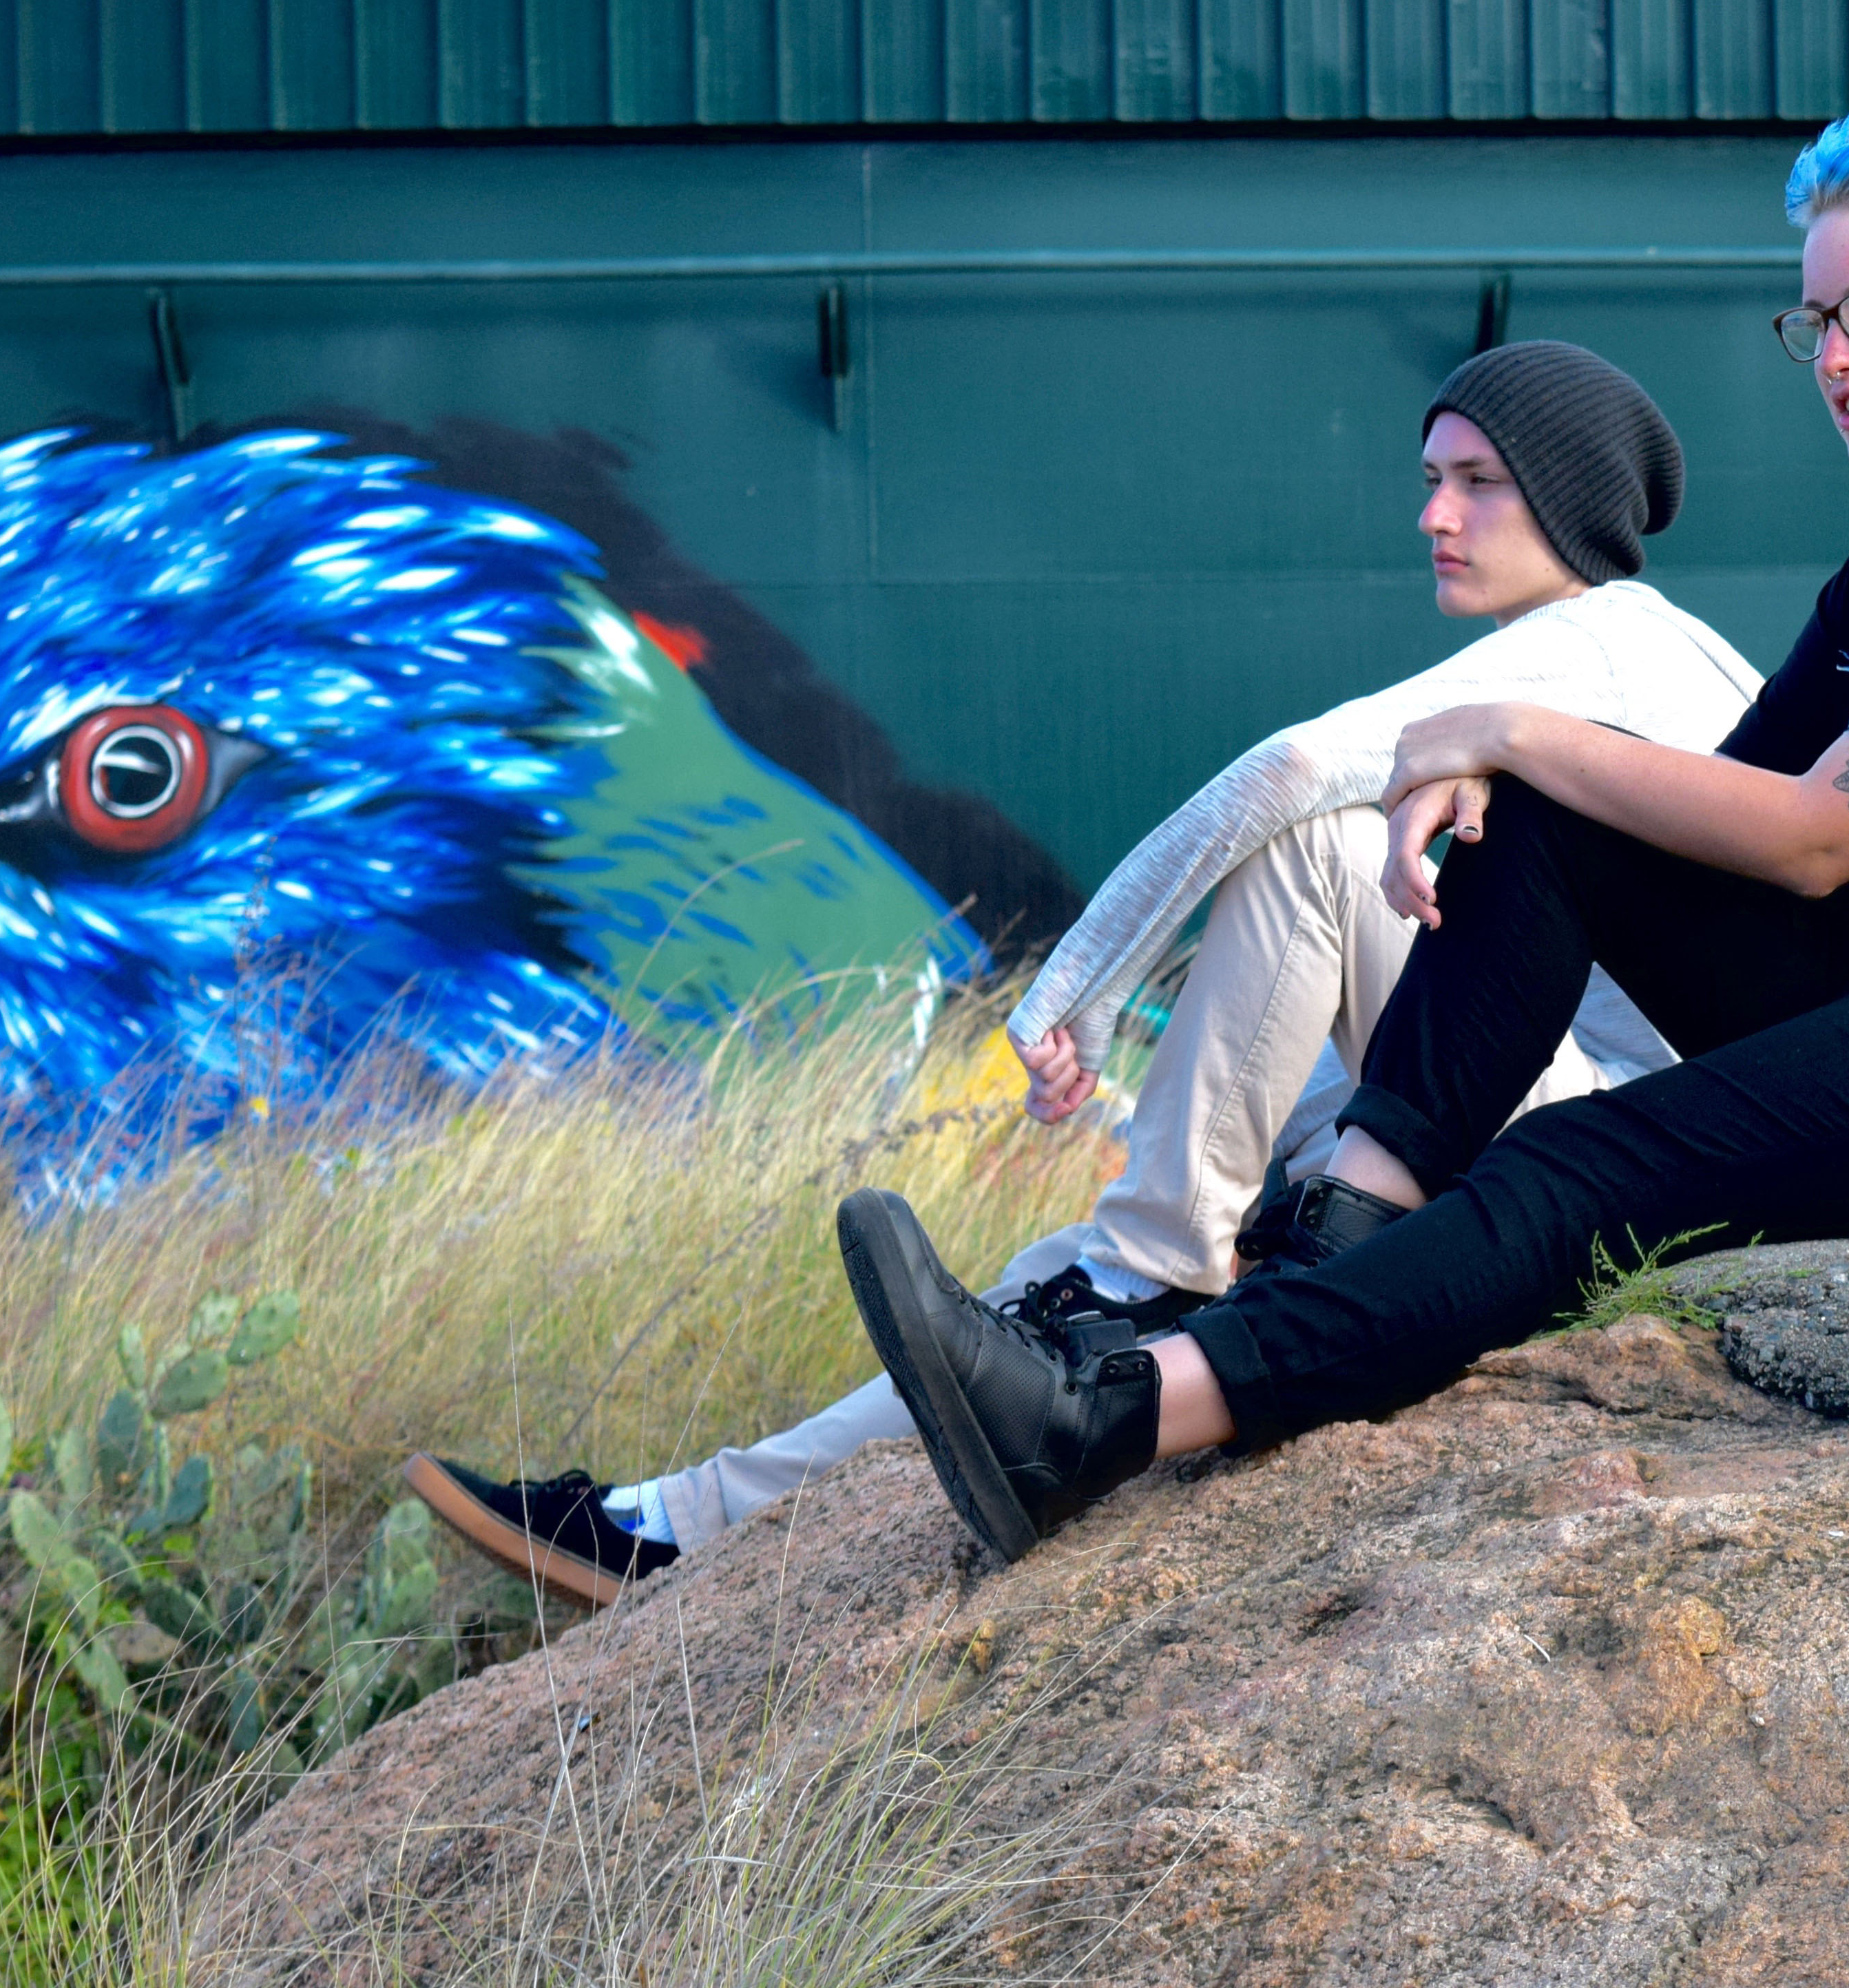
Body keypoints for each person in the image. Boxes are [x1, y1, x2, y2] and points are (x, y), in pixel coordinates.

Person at [836, 105, 1849, 1567]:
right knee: (1551, 823)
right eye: (1811, 322)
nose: (1834, 357)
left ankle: (1103, 1420)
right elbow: (1703, 819)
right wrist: (1521, 791)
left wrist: (1508, 728)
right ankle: (1357, 1225)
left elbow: (1816, 838)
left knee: (1583, 1160)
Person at [406, 341, 1764, 1603]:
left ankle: (1145, 1269)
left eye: (1478, 482)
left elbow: (1289, 774)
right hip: (1545, 1124)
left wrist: (1079, 986)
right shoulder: (1628, 658)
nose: (1433, 515)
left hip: (1612, 1166)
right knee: (1059, 1286)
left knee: (1327, 850)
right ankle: (682, 1522)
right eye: (1430, 481)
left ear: (1571, 501)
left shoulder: (1603, 641)